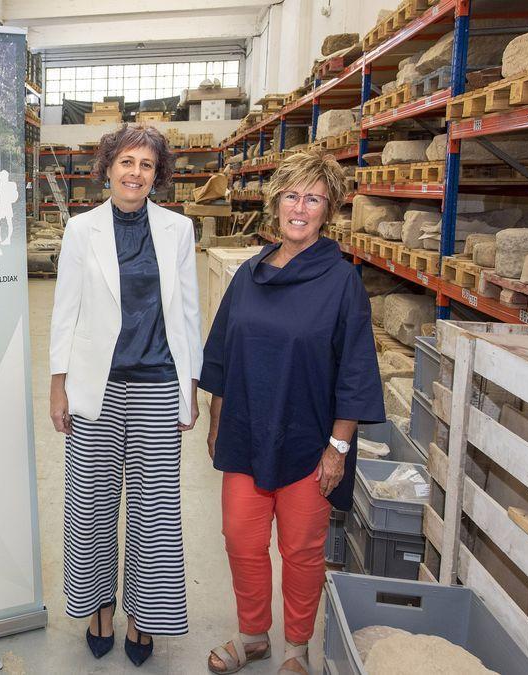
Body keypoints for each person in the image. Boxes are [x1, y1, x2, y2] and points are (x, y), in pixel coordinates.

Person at [200, 150, 384, 674]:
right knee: (241, 539)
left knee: (302, 550)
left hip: (309, 441)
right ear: (275, 202)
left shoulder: (340, 280)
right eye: (291, 195)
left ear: (328, 211)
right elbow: (222, 354)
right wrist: (217, 421)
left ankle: (297, 647)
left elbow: (354, 369)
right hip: (245, 431)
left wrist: (339, 448)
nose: (299, 207)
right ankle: (253, 635)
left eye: (313, 199)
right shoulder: (249, 274)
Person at [49, 124, 202, 667]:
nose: (135, 172)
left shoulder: (178, 230)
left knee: (153, 509)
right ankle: (98, 610)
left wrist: (190, 385)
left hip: (158, 383)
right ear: (108, 168)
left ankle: (145, 616)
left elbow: (187, 311)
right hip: (98, 385)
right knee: (90, 502)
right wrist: (58, 381)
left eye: (146, 164)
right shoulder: (80, 230)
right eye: (126, 162)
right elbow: (64, 309)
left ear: (158, 174)